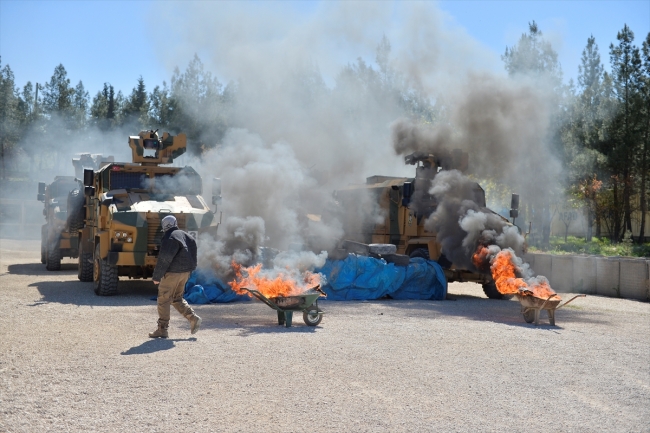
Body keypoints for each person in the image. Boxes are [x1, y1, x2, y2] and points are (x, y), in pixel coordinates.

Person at [149, 215, 202, 338]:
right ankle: (193, 318)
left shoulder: (169, 237)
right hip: (185, 273)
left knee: (163, 298)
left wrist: (157, 276)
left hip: (173, 273)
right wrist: (189, 271)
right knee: (176, 298)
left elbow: (164, 259)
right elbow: (193, 255)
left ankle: (162, 329)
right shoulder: (187, 236)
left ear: (164, 226)